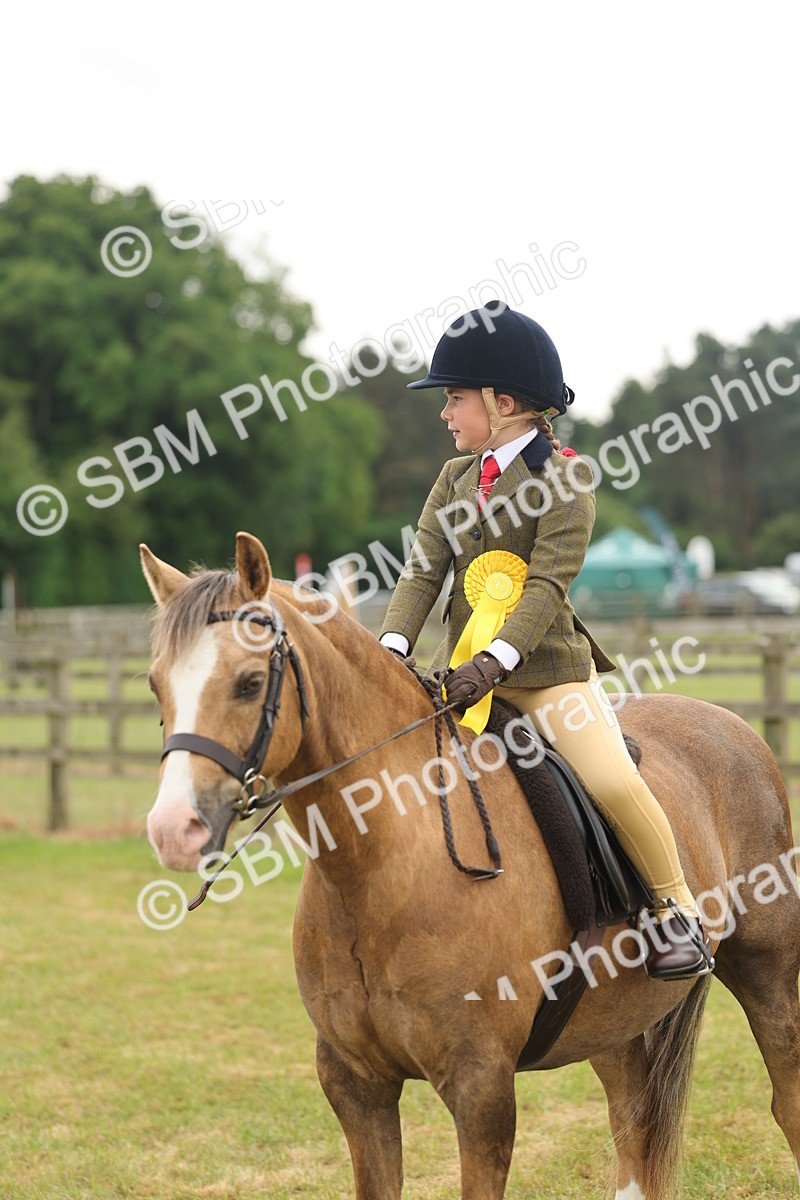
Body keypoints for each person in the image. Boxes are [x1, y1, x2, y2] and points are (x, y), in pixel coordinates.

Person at [379, 301, 712, 981]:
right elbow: (422, 572)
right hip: (460, 673)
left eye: (455, 400)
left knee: (611, 778)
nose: (445, 414)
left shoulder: (566, 480)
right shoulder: (455, 479)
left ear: (503, 404)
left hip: (547, 672)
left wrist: (495, 661)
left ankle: (678, 914)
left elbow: (545, 589)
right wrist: (388, 649)